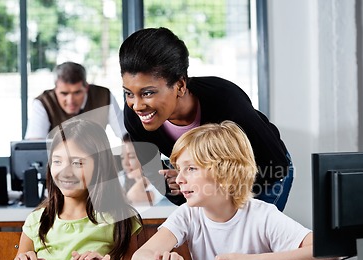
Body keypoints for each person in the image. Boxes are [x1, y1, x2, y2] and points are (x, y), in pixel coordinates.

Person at [131, 121, 335, 260]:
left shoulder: (262, 215)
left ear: (225, 172)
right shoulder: (188, 215)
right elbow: (140, 258)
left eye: (191, 169)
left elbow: (328, 251)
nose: (180, 179)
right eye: (179, 170)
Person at [119, 27, 293, 211]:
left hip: (266, 172)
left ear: (180, 85)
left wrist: (205, 184)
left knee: (246, 237)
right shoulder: (134, 116)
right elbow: (153, 170)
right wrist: (178, 189)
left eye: (148, 93)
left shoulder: (227, 101)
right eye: (129, 93)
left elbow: (275, 163)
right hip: (210, 182)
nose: (136, 105)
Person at [10, 117, 142, 260]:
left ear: (100, 166)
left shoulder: (121, 218)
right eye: (57, 161)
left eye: (77, 163)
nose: (65, 173)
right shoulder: (36, 221)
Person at [25, 61, 126, 140]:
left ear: (86, 88)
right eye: (64, 93)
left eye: (77, 93)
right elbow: (35, 144)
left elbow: (125, 134)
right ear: (55, 89)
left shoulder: (104, 96)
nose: (70, 100)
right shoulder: (43, 103)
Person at [119, 133, 164, 206]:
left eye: (131, 157)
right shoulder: (121, 178)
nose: (125, 163)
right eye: (122, 157)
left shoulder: (159, 184)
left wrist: (147, 177)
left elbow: (134, 197)